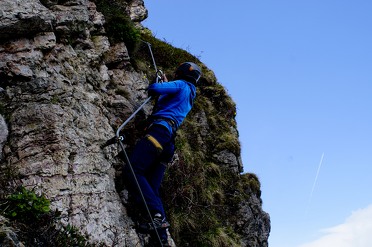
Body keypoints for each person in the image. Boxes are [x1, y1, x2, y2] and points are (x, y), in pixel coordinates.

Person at [124, 62, 202, 246]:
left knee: (134, 170)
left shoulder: (181, 84)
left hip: (159, 132)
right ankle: (161, 238)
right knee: (152, 187)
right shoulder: (190, 94)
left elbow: (154, 88)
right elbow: (168, 101)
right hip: (168, 144)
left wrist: (163, 84)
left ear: (182, 73)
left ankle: (157, 217)